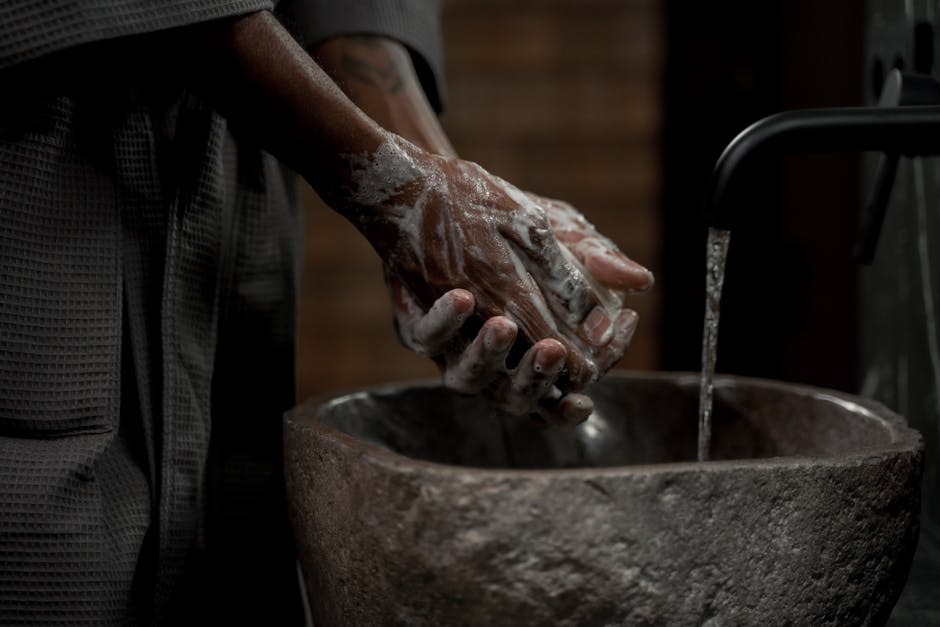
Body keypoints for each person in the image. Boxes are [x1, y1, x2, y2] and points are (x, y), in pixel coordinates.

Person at [0, 1, 653, 624]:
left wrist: (443, 200)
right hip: (49, 166)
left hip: (233, 179)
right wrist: (393, 192)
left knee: (228, 559)